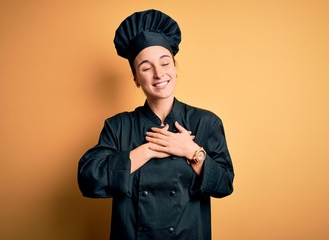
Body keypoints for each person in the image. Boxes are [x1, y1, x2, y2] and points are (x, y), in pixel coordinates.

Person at [78, 9, 234, 240]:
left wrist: (192, 151)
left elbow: (224, 184)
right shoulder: (118, 126)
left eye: (165, 63)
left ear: (175, 68)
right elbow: (88, 180)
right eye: (145, 67)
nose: (158, 74)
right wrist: (144, 151)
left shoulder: (206, 122)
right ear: (136, 79)